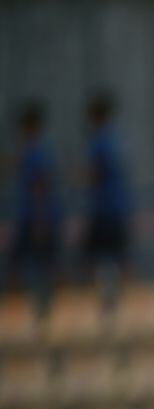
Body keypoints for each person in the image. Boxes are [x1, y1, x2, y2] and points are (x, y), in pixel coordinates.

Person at [6, 101, 63, 300]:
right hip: (34, 216)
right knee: (35, 264)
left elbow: (41, 186)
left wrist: (41, 219)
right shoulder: (34, 150)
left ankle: (42, 306)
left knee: (37, 265)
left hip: (36, 217)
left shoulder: (36, 151)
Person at [81, 91, 131, 286]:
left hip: (103, 208)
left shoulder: (98, 142)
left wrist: (78, 176)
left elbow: (96, 173)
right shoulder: (116, 138)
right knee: (120, 256)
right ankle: (128, 296)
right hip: (118, 206)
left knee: (94, 257)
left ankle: (106, 298)